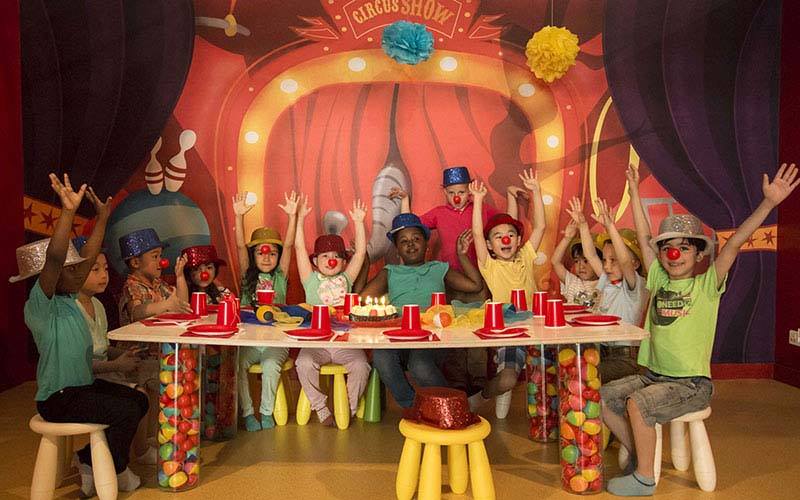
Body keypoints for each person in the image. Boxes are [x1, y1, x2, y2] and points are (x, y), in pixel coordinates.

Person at [601, 163, 798, 496]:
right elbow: (645, 238)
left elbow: (734, 243)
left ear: (698, 253)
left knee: (638, 404)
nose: (674, 254)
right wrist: (633, 191)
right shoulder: (658, 278)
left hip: (691, 384)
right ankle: (638, 450)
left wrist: (768, 204)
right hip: (654, 376)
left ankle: (645, 478)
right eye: (668, 248)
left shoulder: (707, 285)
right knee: (603, 397)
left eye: (684, 247)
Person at [14, 174, 147, 495]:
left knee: (138, 400)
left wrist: (102, 218)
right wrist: (68, 213)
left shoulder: (72, 299)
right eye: (72, 270)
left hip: (81, 388)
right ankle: (114, 467)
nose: (80, 272)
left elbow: (84, 257)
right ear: (49, 277)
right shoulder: (41, 307)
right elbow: (55, 259)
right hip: (57, 399)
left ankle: (88, 458)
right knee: (126, 410)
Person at [360, 213, 483, 408]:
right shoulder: (390, 272)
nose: (410, 244)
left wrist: (462, 256)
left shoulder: (438, 268)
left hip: (431, 337)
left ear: (426, 244)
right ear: (397, 249)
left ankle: (453, 407)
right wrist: (365, 262)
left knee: (420, 365)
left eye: (416, 239)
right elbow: (361, 299)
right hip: (398, 336)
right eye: (404, 241)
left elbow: (475, 285)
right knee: (381, 358)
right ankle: (413, 406)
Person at [467, 169, 545, 409]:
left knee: (546, 378)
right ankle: (482, 397)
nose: (506, 239)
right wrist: (477, 200)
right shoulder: (489, 265)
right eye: (498, 236)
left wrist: (536, 191)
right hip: (508, 330)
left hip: (536, 328)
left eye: (511, 234)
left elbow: (540, 227)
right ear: (490, 245)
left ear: (518, 240)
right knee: (508, 379)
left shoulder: (525, 257)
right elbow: (477, 234)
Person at [294, 197, 371, 426]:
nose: (331, 260)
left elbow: (360, 254)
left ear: (343, 262)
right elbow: (299, 248)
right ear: (316, 261)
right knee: (303, 364)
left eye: (336, 256)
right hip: (316, 341)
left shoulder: (347, 278)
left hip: (344, 341)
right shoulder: (309, 279)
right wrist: (300, 219)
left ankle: (348, 407)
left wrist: (359, 222)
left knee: (361, 366)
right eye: (325, 256)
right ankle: (321, 408)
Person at [232, 191, 298, 431]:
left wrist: (292, 216)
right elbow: (240, 246)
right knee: (238, 364)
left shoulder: (280, 277)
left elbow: (288, 245)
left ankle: (266, 411)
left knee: (270, 365)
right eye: (261, 253)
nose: (267, 258)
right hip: (250, 341)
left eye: (272, 253)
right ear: (253, 256)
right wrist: (239, 217)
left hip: (275, 341)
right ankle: (248, 413)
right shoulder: (246, 276)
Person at [568, 196, 648, 382]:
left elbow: (625, 262)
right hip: (601, 350)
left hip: (624, 358)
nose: (607, 266)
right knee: (570, 369)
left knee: (585, 377)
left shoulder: (635, 286)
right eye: (605, 260)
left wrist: (610, 227)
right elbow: (590, 255)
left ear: (635, 264)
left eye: (613, 260)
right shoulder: (607, 280)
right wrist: (583, 225)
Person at [117, 228, 190, 326]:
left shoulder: (159, 284)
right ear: (135, 262)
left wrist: (180, 277)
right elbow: (135, 313)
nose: (161, 261)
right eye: (155, 256)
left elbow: (182, 305)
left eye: (160, 256)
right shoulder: (132, 286)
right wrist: (165, 305)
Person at [550, 219, 601, 307]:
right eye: (576, 261)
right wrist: (567, 238)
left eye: (586, 261)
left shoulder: (605, 285)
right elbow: (555, 261)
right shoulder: (572, 282)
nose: (581, 266)